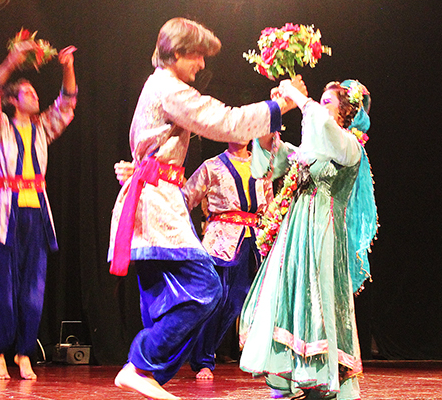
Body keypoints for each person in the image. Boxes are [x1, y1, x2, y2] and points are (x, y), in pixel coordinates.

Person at [108, 17, 304, 400]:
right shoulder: (169, 87)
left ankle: (145, 372)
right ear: (177, 52)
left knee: (167, 298)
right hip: (156, 205)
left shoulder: (161, 87)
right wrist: (280, 103)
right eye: (197, 55)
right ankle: (141, 365)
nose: (201, 64)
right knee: (204, 286)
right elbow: (224, 121)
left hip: (154, 199)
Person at [239, 79, 378, 400]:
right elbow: (271, 159)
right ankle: (286, 375)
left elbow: (324, 128)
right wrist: (273, 114)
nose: (319, 106)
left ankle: (316, 375)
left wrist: (300, 98)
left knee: (317, 299)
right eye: (320, 101)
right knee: (285, 298)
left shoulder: (350, 147)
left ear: (346, 113)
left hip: (322, 235)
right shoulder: (306, 153)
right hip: (294, 235)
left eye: (327, 102)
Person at [0, 40, 77, 380]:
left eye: (37, 93)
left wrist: (67, 66)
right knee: (4, 289)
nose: (36, 96)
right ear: (12, 100)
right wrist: (12, 60)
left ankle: (24, 352)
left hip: (36, 214)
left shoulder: (41, 129)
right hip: (6, 216)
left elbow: (66, 105)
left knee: (33, 291)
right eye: (29, 92)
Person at [180, 141, 273, 380]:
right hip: (221, 241)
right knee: (216, 302)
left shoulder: (263, 165)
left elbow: (271, 206)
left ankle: (262, 358)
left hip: (255, 241)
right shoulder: (212, 166)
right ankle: (203, 360)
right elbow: (185, 198)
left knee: (240, 302)